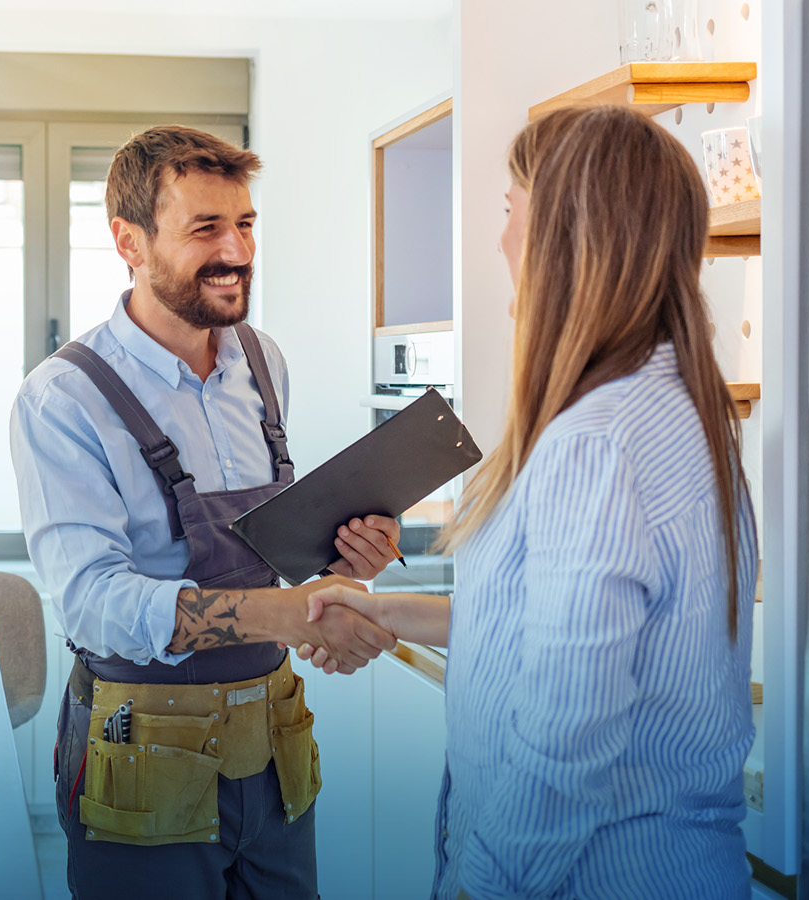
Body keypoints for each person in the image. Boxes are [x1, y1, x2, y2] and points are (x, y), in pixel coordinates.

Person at [299, 104, 760, 900]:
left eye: (510, 213)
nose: (501, 242)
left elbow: (567, 735)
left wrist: (485, 888)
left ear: (563, 238)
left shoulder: (596, 442)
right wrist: (390, 612)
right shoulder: (680, 409)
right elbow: (561, 632)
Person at [10, 124, 401, 900]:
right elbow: (93, 607)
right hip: (144, 757)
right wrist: (286, 616)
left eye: (246, 224)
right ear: (129, 240)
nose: (237, 250)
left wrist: (340, 558)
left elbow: (263, 555)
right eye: (206, 228)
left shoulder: (262, 360)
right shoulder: (64, 398)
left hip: (274, 744)